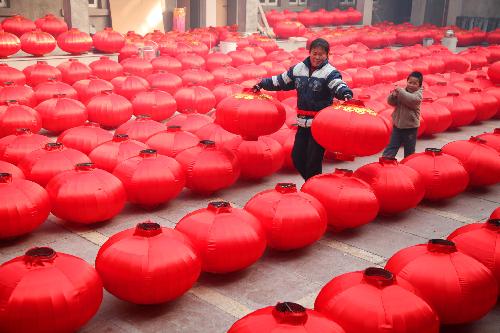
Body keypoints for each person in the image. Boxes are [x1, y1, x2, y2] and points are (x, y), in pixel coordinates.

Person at [253, 38, 353, 180]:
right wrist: (262, 83)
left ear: (327, 55)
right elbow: (280, 81)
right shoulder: (299, 69)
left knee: (313, 161)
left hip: (320, 125)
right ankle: (313, 184)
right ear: (310, 52)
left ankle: (312, 187)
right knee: (297, 157)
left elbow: (337, 84)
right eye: (314, 53)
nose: (317, 57)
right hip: (302, 123)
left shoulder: (330, 72)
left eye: (321, 54)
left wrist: (346, 93)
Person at [382, 71, 423, 159]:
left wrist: (400, 92)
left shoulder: (418, 95)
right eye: (410, 82)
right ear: (407, 82)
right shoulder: (402, 92)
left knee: (409, 150)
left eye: (415, 83)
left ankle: (408, 165)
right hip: (397, 126)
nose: (411, 85)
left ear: (419, 85)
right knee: (391, 147)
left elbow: (411, 100)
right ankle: (385, 162)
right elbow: (391, 102)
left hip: (410, 128)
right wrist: (393, 96)